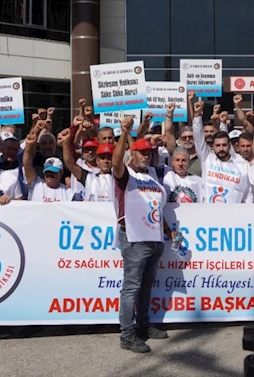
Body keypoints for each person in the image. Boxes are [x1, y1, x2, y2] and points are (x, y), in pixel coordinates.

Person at [112, 117, 176, 353]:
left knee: (147, 286)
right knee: (131, 287)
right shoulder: (125, 174)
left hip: (155, 238)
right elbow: (115, 161)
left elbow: (156, 208)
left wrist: (169, 230)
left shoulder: (151, 178)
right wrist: (125, 133)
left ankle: (143, 326)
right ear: (132, 155)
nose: (146, 156)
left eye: (148, 152)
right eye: (140, 152)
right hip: (134, 238)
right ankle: (127, 335)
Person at [192, 99, 253, 204]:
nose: (221, 148)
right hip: (209, 213)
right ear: (213, 146)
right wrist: (197, 116)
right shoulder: (207, 158)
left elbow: (248, 194)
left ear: (230, 146)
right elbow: (198, 138)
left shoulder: (242, 164)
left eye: (224, 145)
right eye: (218, 145)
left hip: (233, 215)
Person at [22, 124, 74, 203]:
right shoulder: (37, 185)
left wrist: (66, 142)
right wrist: (29, 145)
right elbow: (27, 165)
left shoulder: (68, 193)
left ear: (61, 173)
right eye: (48, 172)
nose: (50, 174)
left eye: (53, 172)